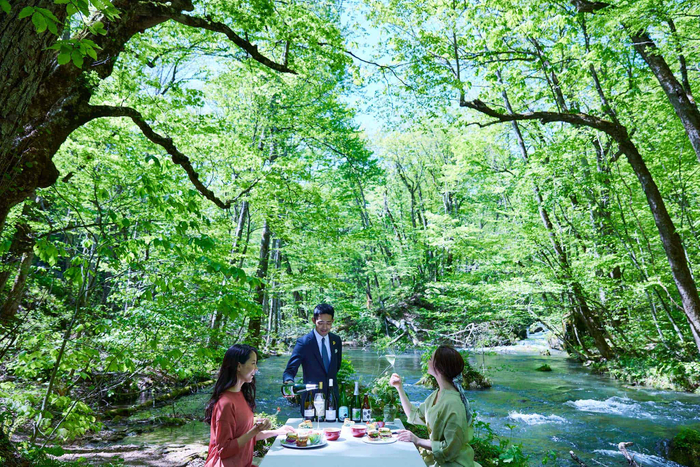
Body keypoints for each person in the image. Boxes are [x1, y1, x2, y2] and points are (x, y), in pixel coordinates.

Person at [204, 344, 294, 467]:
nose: (256, 368)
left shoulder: (241, 395)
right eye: (253, 363)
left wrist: (277, 431)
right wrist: (255, 430)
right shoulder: (225, 403)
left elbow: (245, 437)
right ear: (239, 366)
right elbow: (224, 450)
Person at [390, 345, 480, 467]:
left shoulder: (453, 403)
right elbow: (414, 414)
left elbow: (450, 449)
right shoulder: (438, 394)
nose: (428, 361)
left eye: (431, 358)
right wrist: (399, 387)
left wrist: (417, 440)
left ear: (440, 367)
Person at [282, 303, 342, 416]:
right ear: (313, 320)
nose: (325, 327)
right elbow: (290, 370)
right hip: (311, 398)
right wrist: (289, 382)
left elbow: (336, 366)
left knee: (333, 430)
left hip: (332, 398)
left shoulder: (336, 340)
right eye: (321, 323)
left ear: (333, 321)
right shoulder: (304, 342)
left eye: (328, 323)